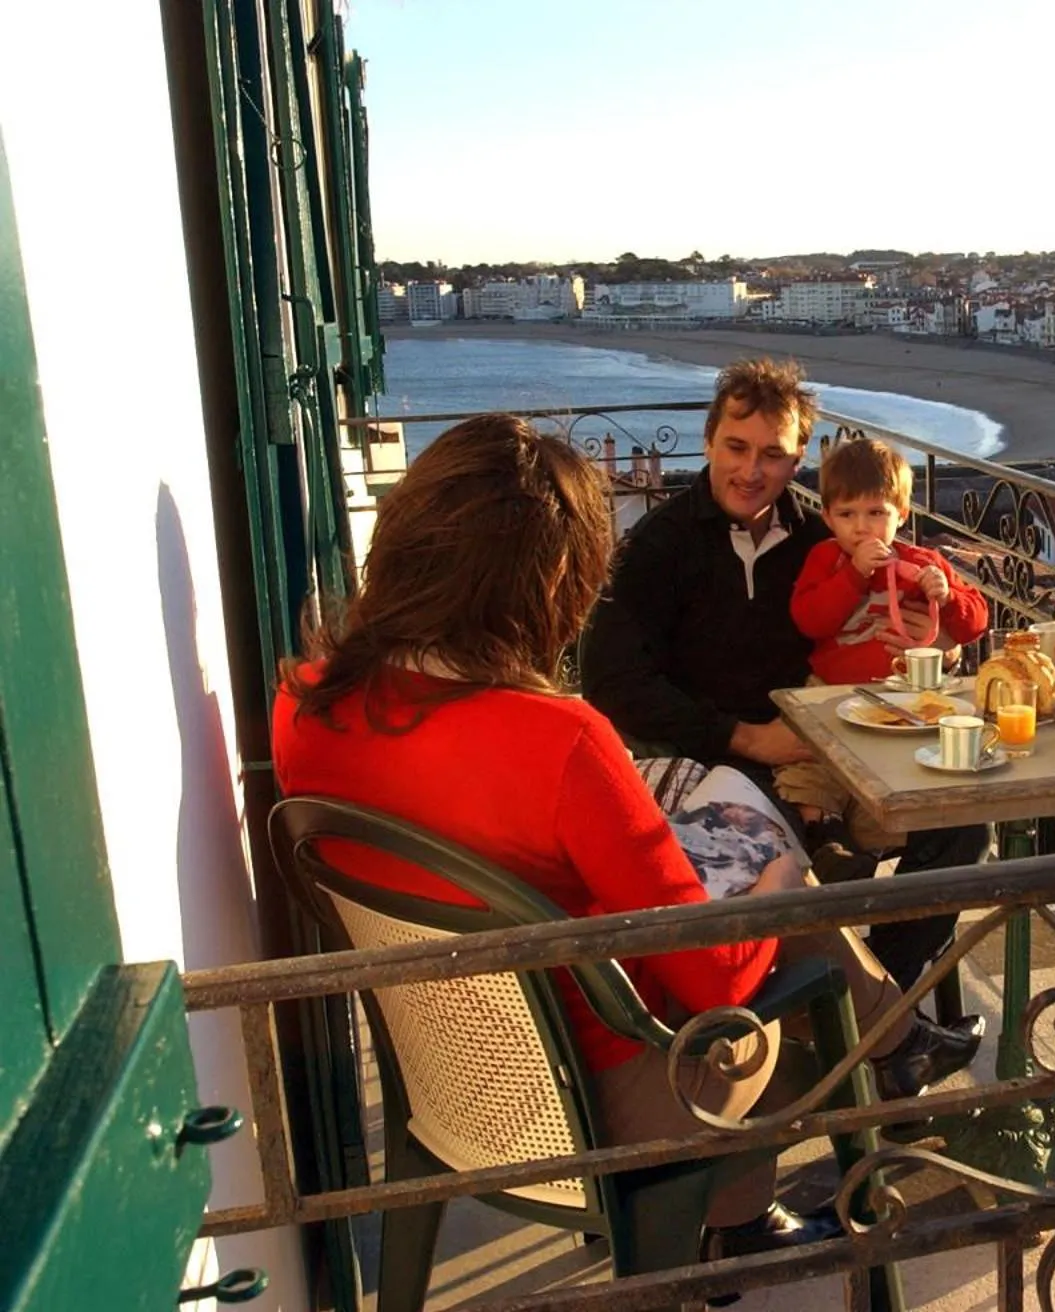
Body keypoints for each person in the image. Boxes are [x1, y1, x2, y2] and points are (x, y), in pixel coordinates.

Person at [270, 414, 976, 1260]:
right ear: (552, 583)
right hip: (599, 1094)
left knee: (757, 901)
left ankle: (820, 1135)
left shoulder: (304, 700)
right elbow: (716, 976)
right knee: (794, 936)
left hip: (450, 1075)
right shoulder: (558, 739)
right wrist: (779, 885)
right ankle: (869, 1082)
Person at [581, 358, 990, 997]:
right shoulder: (658, 548)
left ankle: (885, 1001)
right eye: (736, 447)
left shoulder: (826, 539)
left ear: (798, 459)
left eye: (772, 454)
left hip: (848, 747)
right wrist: (747, 737)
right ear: (708, 442)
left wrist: (931, 638)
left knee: (963, 826)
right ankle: (866, 1012)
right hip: (721, 765)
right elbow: (610, 680)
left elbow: (924, 622)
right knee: (802, 858)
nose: (751, 471)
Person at [779, 436, 988, 845]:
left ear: (901, 514)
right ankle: (824, 833)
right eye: (847, 514)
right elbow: (810, 620)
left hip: (903, 699)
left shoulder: (923, 563)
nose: (861, 527)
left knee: (892, 775)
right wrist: (853, 574)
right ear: (828, 517)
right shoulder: (826, 559)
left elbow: (975, 622)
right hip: (830, 693)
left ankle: (872, 843)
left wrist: (947, 598)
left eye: (876, 512)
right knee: (810, 768)